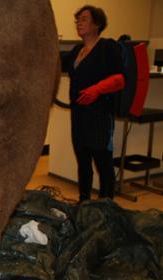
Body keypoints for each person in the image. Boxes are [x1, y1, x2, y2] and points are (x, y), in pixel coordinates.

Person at [61, 5, 125, 202]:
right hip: (79, 113)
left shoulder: (107, 47)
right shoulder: (77, 50)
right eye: (78, 20)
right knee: (83, 160)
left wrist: (96, 89)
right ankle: (84, 201)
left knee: (103, 162)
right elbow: (55, 65)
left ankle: (107, 205)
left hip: (99, 113)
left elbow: (120, 79)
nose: (79, 23)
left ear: (97, 24)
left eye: (85, 19)